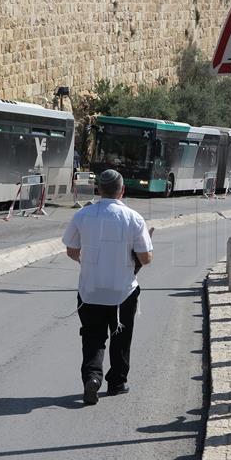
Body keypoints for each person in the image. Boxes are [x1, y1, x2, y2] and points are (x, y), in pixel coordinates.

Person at [62, 169, 154, 405]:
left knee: (92, 337)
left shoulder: (83, 215)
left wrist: (89, 262)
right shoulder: (134, 218)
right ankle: (117, 382)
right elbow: (146, 258)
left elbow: (71, 250)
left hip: (90, 289)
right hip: (123, 291)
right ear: (122, 190)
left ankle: (92, 378)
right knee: (121, 337)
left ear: (98, 190)